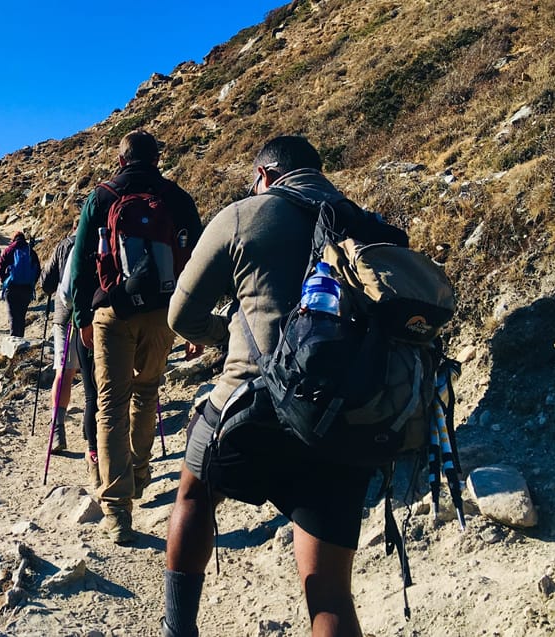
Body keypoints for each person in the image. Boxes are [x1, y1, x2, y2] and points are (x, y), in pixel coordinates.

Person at [164, 136, 374, 637]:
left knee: (193, 495)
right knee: (330, 592)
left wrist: (222, 334)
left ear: (266, 175)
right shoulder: (360, 223)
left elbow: (181, 315)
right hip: (345, 419)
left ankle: (179, 630)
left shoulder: (245, 215)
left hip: (254, 403)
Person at [67, 130, 202, 544]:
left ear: (121, 159)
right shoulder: (177, 198)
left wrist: (81, 317)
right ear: (158, 158)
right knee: (147, 393)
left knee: (111, 402)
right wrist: (193, 321)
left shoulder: (101, 196)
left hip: (112, 311)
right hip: (163, 311)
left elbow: (80, 263)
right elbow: (197, 261)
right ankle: (140, 473)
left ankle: (116, 510)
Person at [39, 226, 98, 471]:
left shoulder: (64, 245)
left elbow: (46, 284)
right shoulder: (102, 240)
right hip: (96, 317)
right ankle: (93, 432)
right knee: (94, 376)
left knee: (64, 371)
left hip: (65, 317)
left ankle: (57, 429)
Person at [0, 230, 40, 337]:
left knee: (12, 315)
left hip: (12, 287)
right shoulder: (31, 251)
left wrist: (3, 281)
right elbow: (38, 269)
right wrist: (32, 282)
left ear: (13, 239)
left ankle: (14, 340)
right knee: (21, 315)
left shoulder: (9, 250)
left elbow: (0, 267)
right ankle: (21, 339)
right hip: (26, 288)